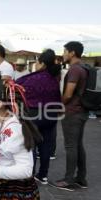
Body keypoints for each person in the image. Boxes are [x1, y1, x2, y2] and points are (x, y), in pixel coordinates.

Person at [17, 49, 62, 185]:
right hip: (51, 115)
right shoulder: (54, 78)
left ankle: (29, 174)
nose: (35, 64)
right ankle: (43, 175)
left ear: (42, 63)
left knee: (31, 145)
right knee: (46, 146)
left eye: (37, 62)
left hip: (34, 115)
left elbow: (16, 86)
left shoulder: (31, 79)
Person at [50, 41, 89, 191]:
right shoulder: (85, 67)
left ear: (72, 53)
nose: (63, 54)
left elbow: (68, 94)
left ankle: (68, 180)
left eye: (65, 51)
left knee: (71, 146)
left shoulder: (74, 70)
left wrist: (60, 105)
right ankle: (81, 178)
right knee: (78, 144)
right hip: (82, 111)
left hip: (72, 113)